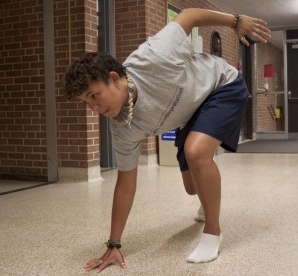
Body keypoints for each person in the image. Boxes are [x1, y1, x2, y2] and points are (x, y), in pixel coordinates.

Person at [62, 8, 270, 273]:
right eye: (86, 103)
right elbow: (126, 184)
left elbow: (189, 15)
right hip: (190, 111)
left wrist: (237, 21)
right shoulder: (122, 127)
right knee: (191, 187)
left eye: (94, 96)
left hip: (221, 85)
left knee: (196, 153)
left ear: (114, 79)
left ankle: (213, 233)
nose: (93, 108)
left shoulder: (154, 57)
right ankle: (207, 187)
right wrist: (114, 243)